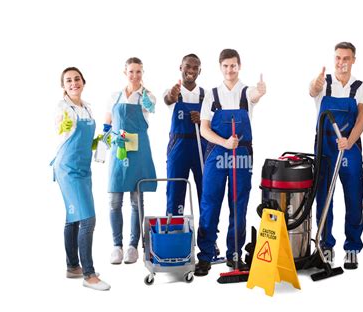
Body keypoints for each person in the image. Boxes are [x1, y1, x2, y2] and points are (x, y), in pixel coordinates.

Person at [194, 49, 266, 276]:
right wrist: (225, 143)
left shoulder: (247, 92)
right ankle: (205, 257)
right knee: (210, 204)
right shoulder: (211, 94)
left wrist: (261, 92)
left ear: (239, 66)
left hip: (242, 155)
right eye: (225, 66)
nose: (229, 70)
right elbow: (204, 130)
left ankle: (234, 255)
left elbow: (255, 95)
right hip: (217, 152)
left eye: (233, 65)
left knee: (239, 204)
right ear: (220, 67)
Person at [309, 42, 363, 269]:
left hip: (349, 148)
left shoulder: (362, 87)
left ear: (353, 60)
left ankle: (352, 247)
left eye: (346, 58)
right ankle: (325, 244)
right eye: (338, 58)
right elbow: (311, 90)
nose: (341, 62)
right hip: (324, 151)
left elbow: (362, 118)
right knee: (323, 198)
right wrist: (314, 84)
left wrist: (349, 140)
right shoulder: (323, 83)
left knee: (354, 199)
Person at [51, 67, 111, 291]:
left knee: (73, 219)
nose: (73, 83)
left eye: (77, 79)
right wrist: (62, 125)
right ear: (63, 86)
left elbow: (85, 138)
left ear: (83, 81)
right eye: (68, 80)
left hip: (83, 169)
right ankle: (89, 274)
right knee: (88, 219)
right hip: (67, 169)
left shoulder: (86, 107)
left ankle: (73, 266)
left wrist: (96, 143)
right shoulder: (63, 108)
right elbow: (60, 125)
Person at [105, 57, 157, 265]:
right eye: (131, 71)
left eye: (139, 72)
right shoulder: (114, 96)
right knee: (114, 201)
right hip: (120, 151)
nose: (135, 75)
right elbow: (107, 123)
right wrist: (108, 139)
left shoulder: (148, 95)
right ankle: (117, 246)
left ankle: (132, 247)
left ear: (143, 73)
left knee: (137, 202)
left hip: (139, 153)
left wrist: (147, 101)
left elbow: (151, 108)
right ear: (124, 72)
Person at [163, 54, 206, 216]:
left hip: (201, 147)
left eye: (195, 68)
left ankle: (207, 238)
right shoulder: (173, 91)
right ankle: (174, 233)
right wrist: (172, 96)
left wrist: (201, 119)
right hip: (178, 148)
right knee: (175, 191)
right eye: (188, 66)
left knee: (206, 192)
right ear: (181, 67)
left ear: (199, 71)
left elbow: (213, 123)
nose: (191, 70)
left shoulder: (206, 95)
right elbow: (168, 99)